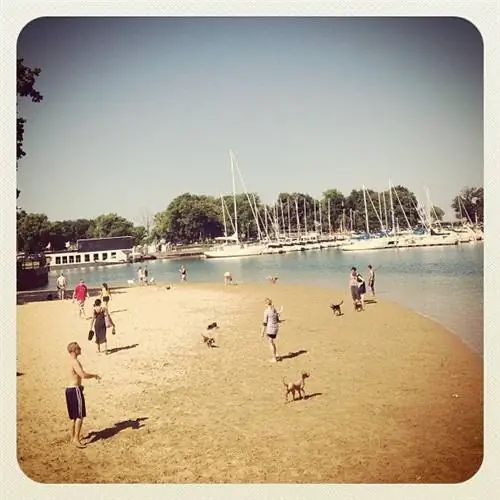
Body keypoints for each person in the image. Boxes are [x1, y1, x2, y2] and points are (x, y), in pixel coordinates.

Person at [66, 341, 101, 448]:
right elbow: (82, 375)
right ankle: (76, 439)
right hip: (75, 390)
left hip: (69, 389)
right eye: (79, 348)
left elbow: (75, 376)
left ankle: (72, 437)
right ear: (74, 350)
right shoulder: (75, 362)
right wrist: (94, 375)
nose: (80, 350)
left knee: (74, 416)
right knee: (80, 415)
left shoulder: (69, 361)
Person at [261, 297, 280, 363]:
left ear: (266, 304)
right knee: (271, 341)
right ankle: (275, 354)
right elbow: (278, 320)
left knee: (270, 342)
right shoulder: (275, 310)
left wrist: (262, 333)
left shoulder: (266, 311)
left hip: (270, 329)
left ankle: (274, 358)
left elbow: (264, 323)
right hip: (276, 328)